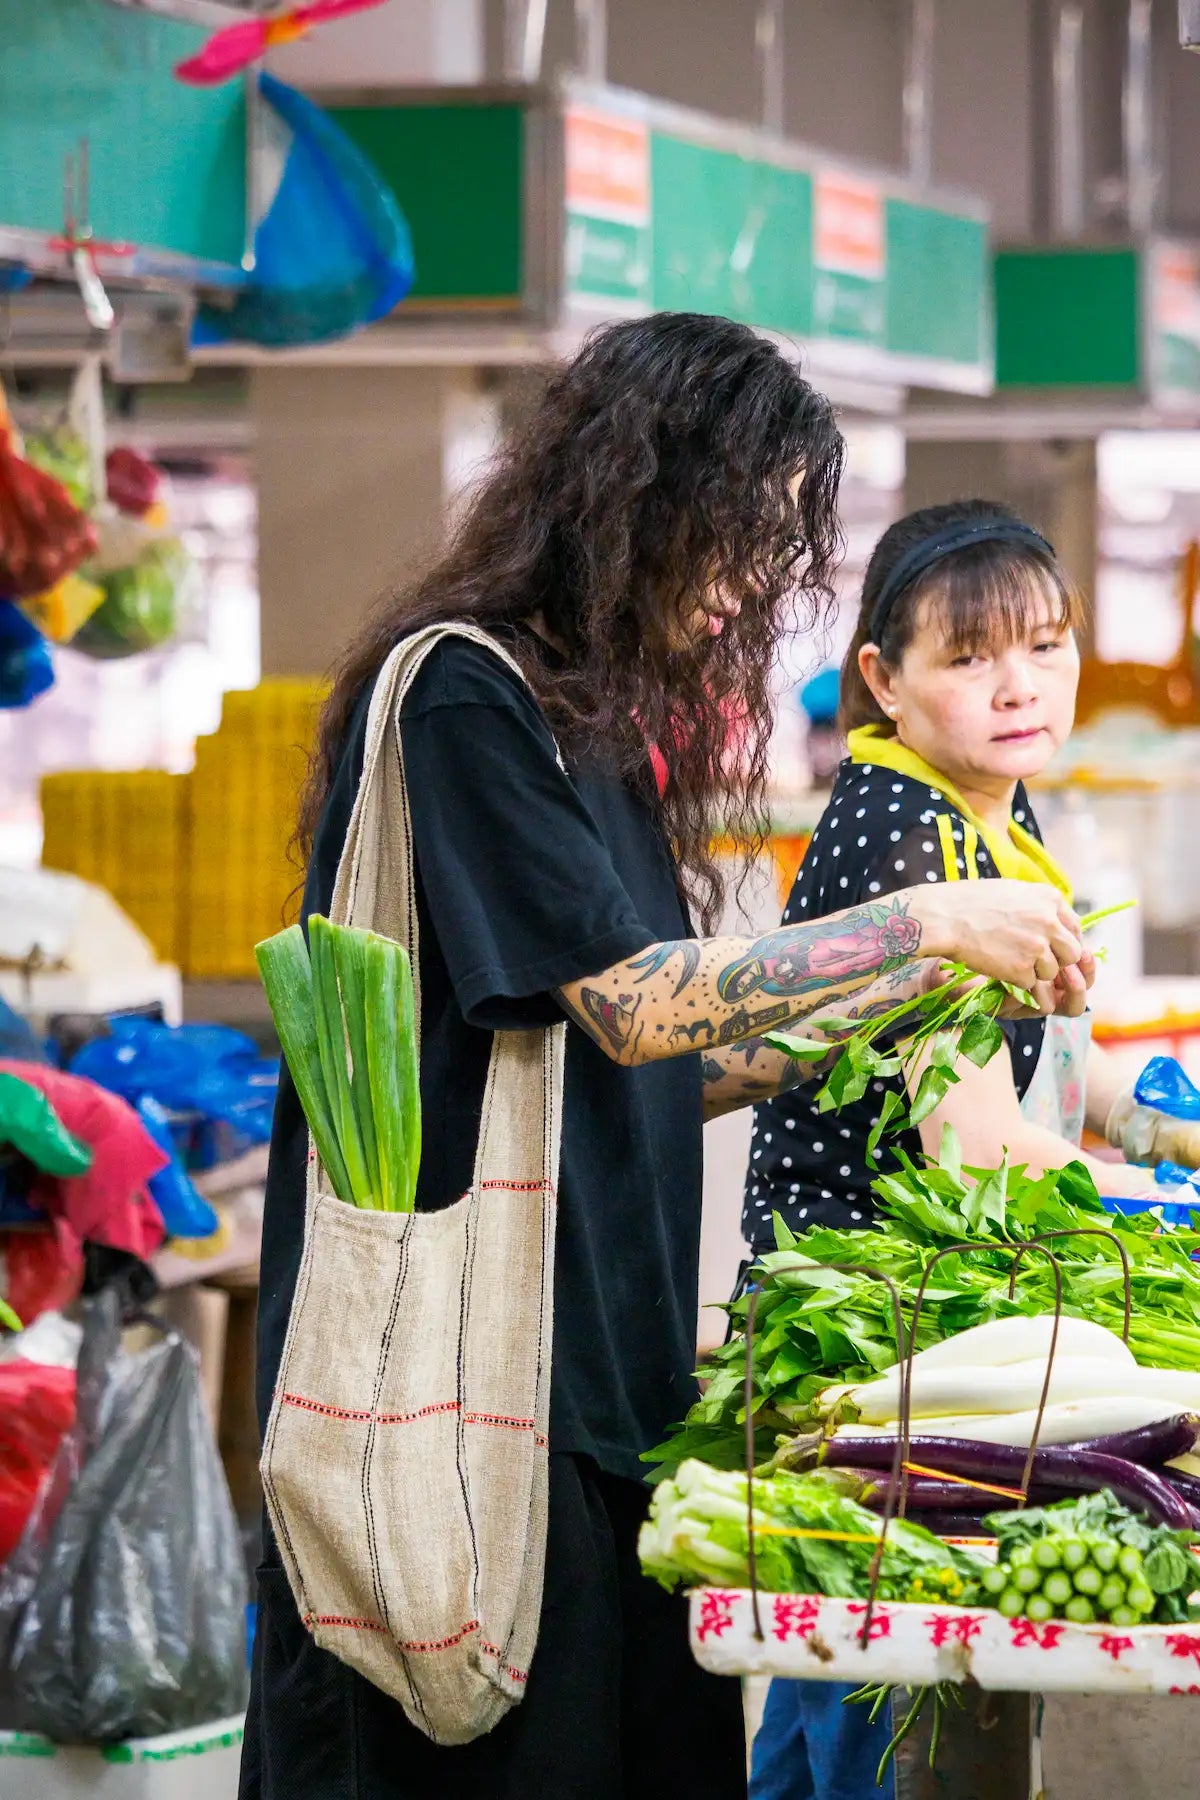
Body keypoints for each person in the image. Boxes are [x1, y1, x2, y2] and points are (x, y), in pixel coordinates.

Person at [241, 329, 1090, 1800]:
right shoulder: (466, 698)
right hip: (476, 1371)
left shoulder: (602, 732)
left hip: (615, 1375)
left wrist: (812, 1044)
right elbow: (631, 1004)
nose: (747, 587)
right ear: (631, 497)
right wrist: (917, 926)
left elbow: (631, 1060)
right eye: (736, 536)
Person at [743, 498, 1168, 1800]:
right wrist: (1154, 1202)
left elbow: (1042, 1062)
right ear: (883, 678)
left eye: (1044, 645)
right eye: (970, 656)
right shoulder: (900, 835)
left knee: (878, 1702)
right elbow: (978, 1145)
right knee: (872, 1714)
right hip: (874, 1337)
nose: (1019, 685)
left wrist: (1158, 1118)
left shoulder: (995, 808)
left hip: (937, 1319)